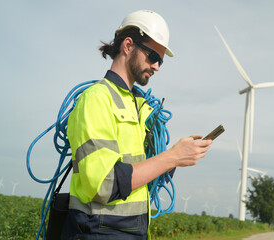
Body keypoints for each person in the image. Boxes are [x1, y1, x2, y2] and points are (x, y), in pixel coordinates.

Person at [62, 9, 213, 239]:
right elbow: (104, 184)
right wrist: (171, 157)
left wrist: (176, 159)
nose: (157, 67)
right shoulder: (96, 100)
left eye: (160, 61)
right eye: (153, 57)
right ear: (128, 45)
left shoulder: (141, 106)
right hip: (97, 233)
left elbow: (140, 170)